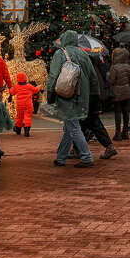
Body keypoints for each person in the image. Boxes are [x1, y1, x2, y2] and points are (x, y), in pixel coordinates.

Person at [49, 30, 96, 168]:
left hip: (66, 96)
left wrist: (50, 93)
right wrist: (95, 94)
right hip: (82, 95)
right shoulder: (83, 54)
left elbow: (53, 75)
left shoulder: (60, 53)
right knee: (69, 127)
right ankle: (61, 157)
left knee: (73, 127)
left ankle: (87, 156)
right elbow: (93, 76)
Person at [106, 48, 130, 141]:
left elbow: (111, 80)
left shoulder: (114, 67)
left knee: (117, 112)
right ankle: (125, 132)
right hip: (126, 91)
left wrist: (107, 75)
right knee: (126, 112)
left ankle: (117, 133)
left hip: (117, 92)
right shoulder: (128, 67)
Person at [9, 72, 40, 136]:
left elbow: (12, 92)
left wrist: (10, 89)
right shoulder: (29, 86)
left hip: (20, 105)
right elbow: (35, 90)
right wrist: (39, 87)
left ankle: (18, 129)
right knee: (28, 117)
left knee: (19, 117)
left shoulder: (16, 86)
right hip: (28, 105)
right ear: (25, 78)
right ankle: (27, 130)